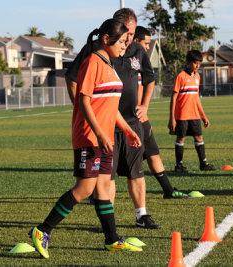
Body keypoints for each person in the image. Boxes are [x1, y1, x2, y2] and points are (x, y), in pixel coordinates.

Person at [29, 19, 143, 259]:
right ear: (106, 40)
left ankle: (112, 240)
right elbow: (84, 100)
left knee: (103, 188)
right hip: (90, 137)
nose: (125, 45)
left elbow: (110, 109)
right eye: (122, 41)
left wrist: (128, 129)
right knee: (84, 188)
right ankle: (42, 231)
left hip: (105, 138)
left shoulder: (110, 65)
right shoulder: (92, 62)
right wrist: (100, 133)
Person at [65, 8, 161, 229]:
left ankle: (139, 217)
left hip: (128, 122)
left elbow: (149, 79)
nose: (129, 38)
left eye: (133, 32)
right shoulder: (96, 55)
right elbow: (76, 85)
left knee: (135, 172)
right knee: (100, 181)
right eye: (127, 32)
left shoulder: (136, 50)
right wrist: (84, 112)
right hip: (102, 128)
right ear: (114, 30)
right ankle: (106, 224)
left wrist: (144, 106)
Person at [133, 26, 190, 198]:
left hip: (142, 118)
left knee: (153, 153)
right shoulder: (122, 60)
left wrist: (144, 106)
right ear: (135, 41)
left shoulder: (142, 62)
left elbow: (149, 82)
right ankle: (94, 193)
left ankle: (168, 190)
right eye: (145, 43)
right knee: (114, 162)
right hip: (125, 120)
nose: (147, 47)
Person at [168, 50, 217, 173]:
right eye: (195, 63)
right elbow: (173, 98)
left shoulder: (198, 77)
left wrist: (203, 116)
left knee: (199, 137)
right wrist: (172, 118)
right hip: (182, 115)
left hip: (194, 114)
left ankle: (203, 163)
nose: (197, 66)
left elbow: (196, 99)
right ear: (188, 62)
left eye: (199, 63)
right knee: (181, 139)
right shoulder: (181, 76)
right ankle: (179, 165)